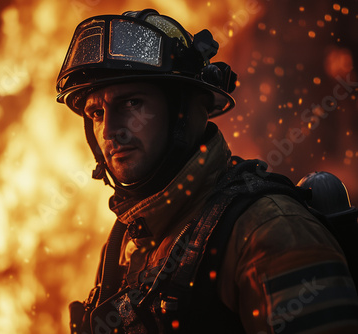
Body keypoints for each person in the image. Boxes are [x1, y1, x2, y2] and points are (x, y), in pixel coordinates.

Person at [56, 9, 358, 334]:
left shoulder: (270, 231)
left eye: (131, 104)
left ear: (186, 110)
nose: (110, 131)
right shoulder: (130, 245)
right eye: (97, 112)